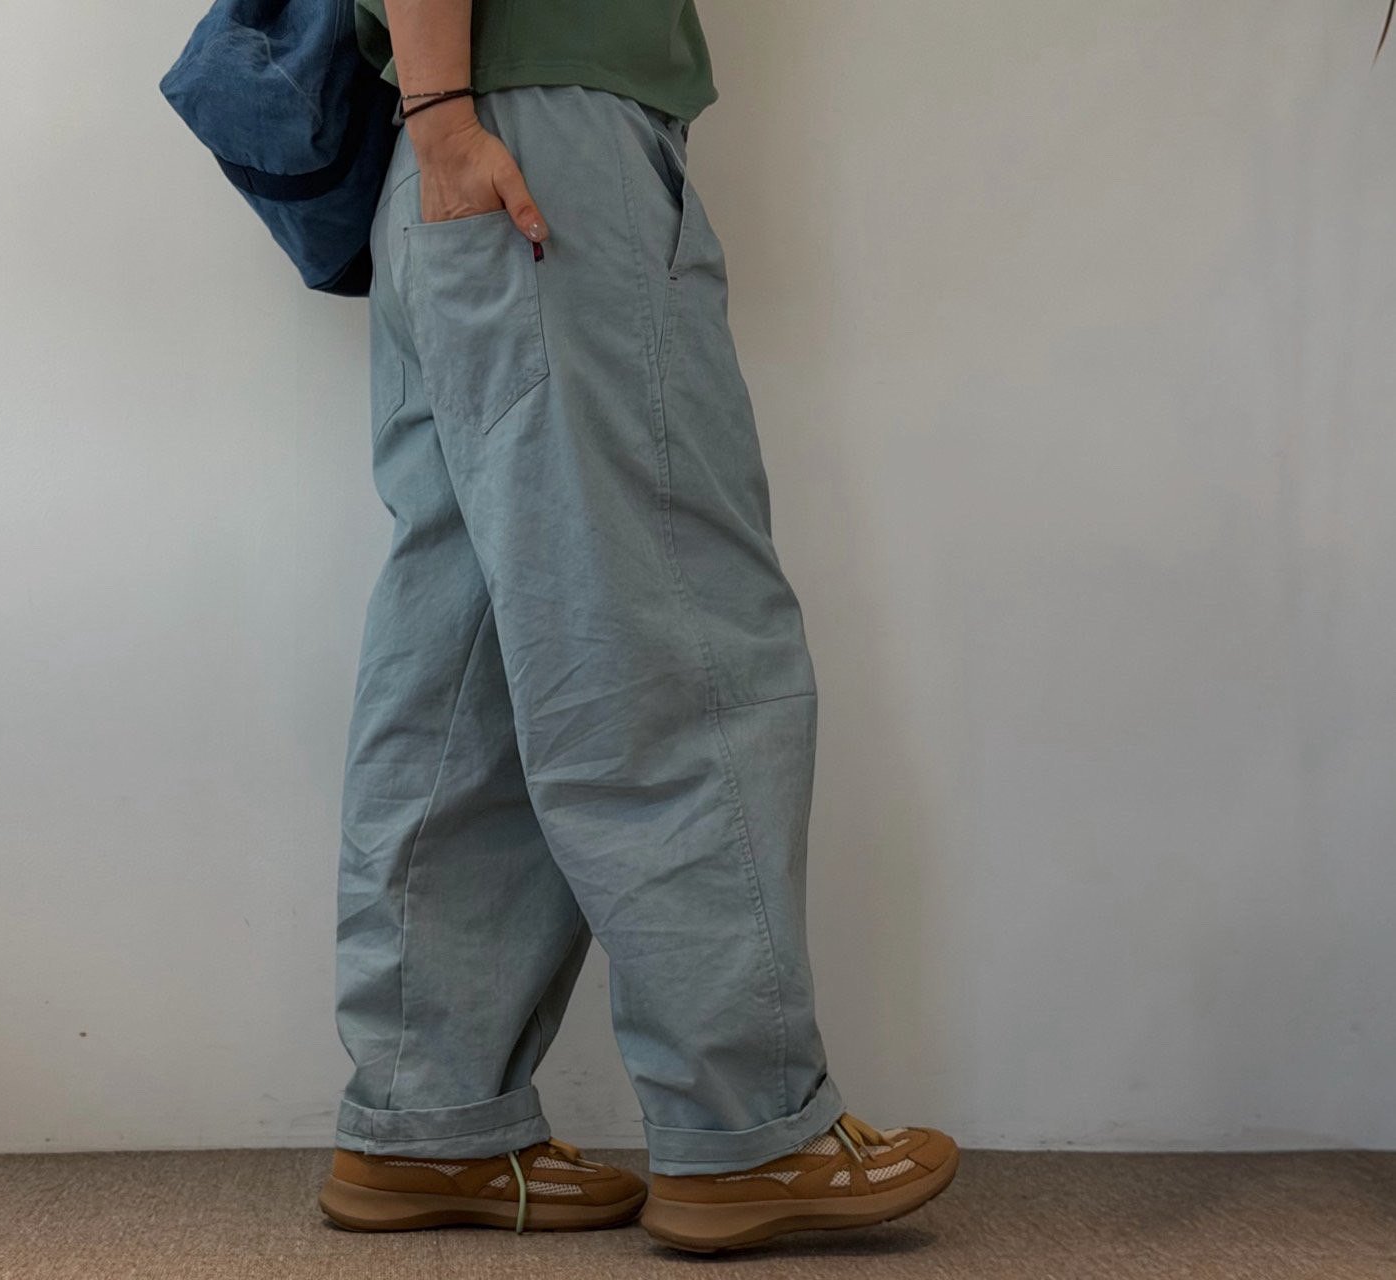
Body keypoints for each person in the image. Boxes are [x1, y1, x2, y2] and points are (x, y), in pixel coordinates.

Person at [317, 0, 959, 1253]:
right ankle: (748, 1132)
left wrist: (439, 119)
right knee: (669, 646)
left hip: (451, 162)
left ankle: (427, 1115)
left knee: (466, 677)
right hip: (535, 155)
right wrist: (447, 116)